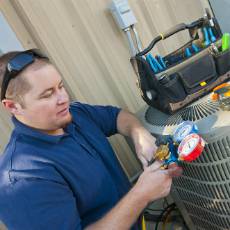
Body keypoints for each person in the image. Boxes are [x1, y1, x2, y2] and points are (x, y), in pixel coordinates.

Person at [0, 49, 178, 230]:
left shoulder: (75, 114)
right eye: (47, 95)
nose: (63, 98)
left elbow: (117, 117)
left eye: (60, 86)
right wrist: (141, 195)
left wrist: (139, 134)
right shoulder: (21, 180)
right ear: (13, 106)